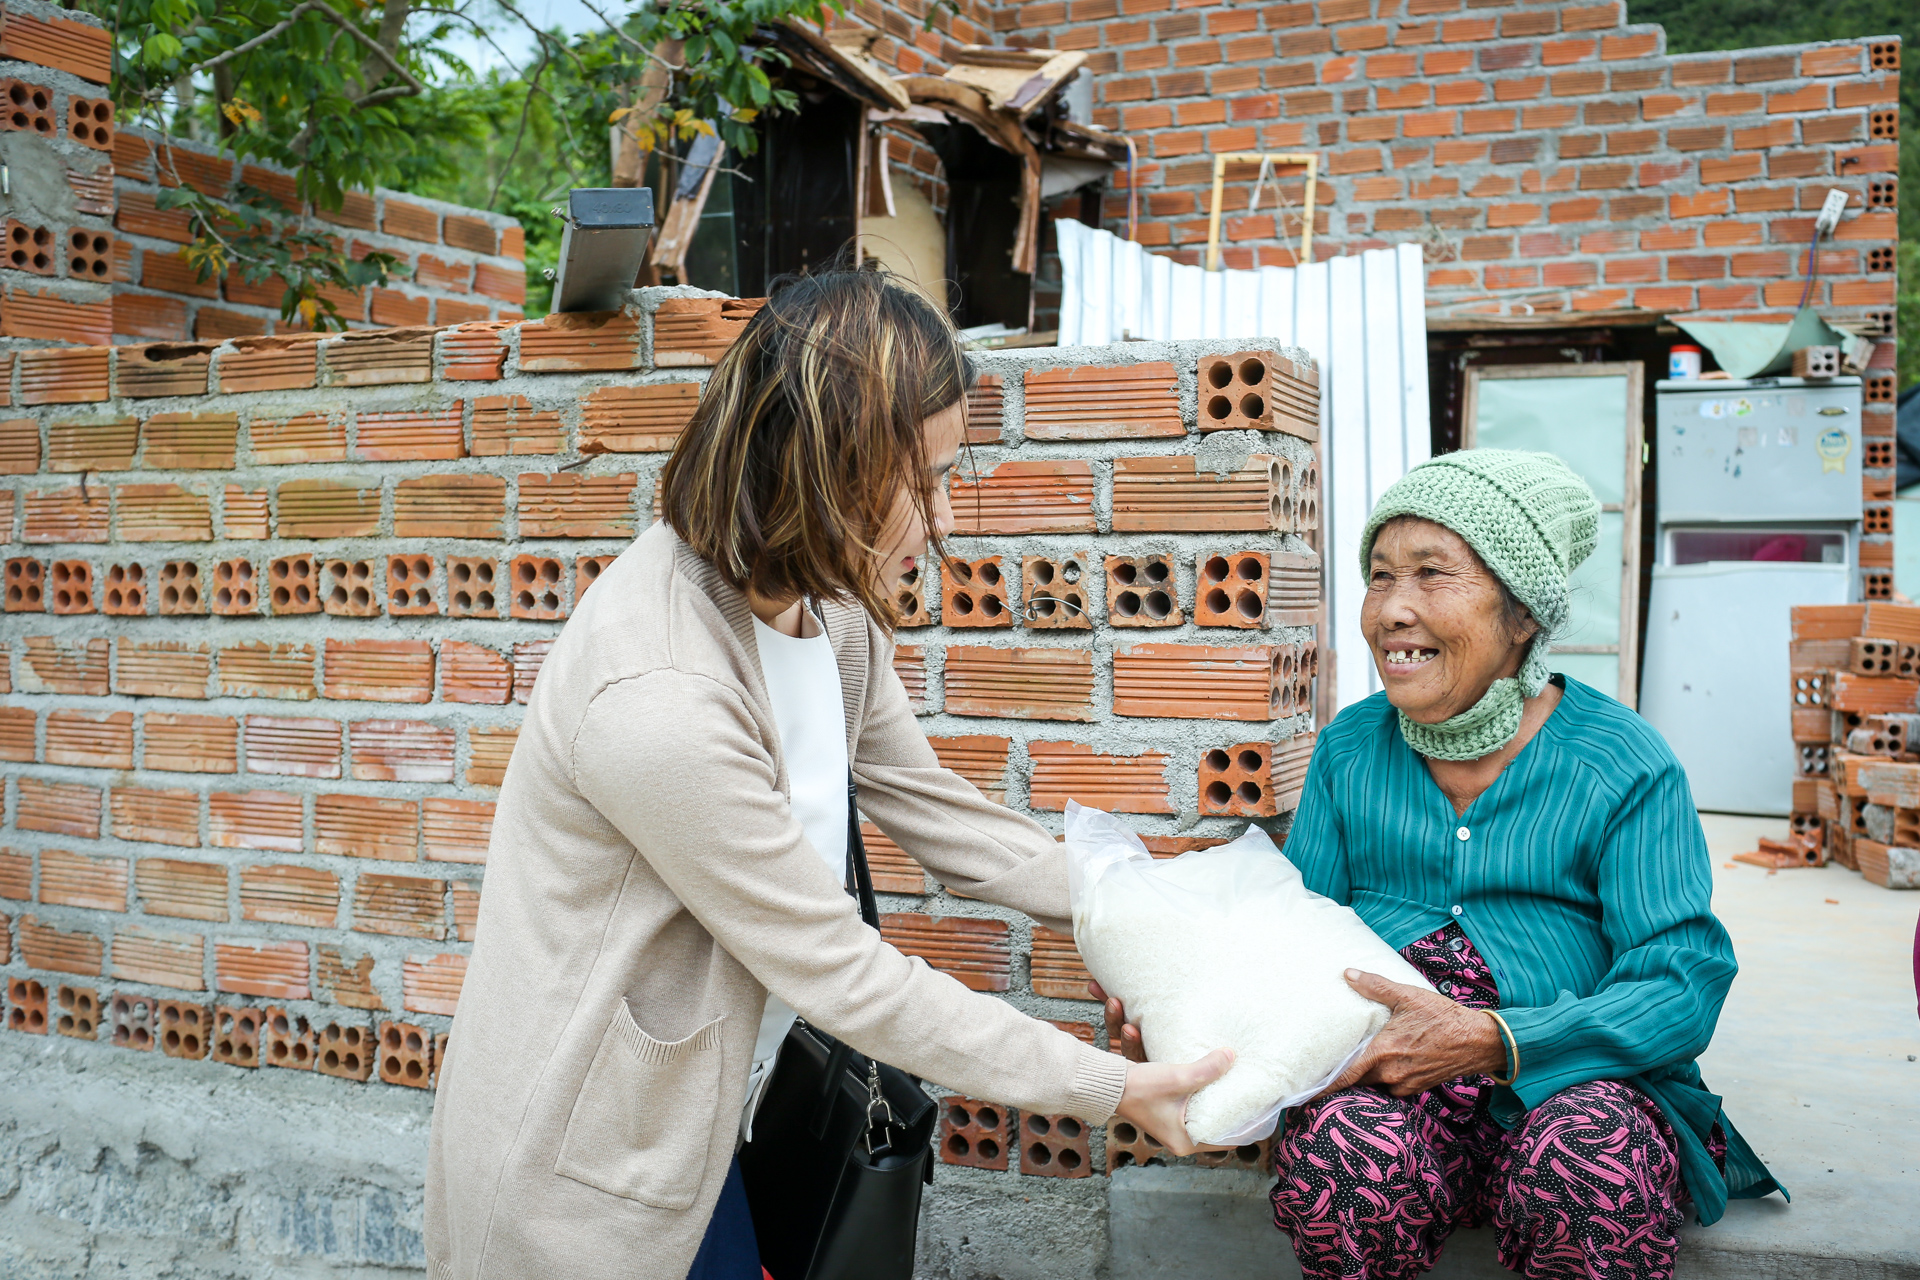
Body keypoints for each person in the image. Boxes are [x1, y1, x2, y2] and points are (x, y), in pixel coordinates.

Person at [423, 266, 1229, 1280]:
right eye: (922, 479)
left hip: (723, 1115)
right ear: (829, 466)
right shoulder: (659, 694)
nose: (941, 518)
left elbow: (944, 816)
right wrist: (1113, 1084)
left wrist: (1164, 913)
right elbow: (847, 973)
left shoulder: (828, 613)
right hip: (588, 1163)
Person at [1103, 449, 1782, 1280]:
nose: (1394, 609)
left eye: (1433, 575)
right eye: (1380, 577)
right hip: (1391, 1094)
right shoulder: (1351, 750)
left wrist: (1494, 1038)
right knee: (1346, 1157)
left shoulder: (1622, 763)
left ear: (1523, 615)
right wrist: (1196, 1023)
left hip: (1569, 1090)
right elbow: (1285, 940)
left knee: (1585, 1163)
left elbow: (1682, 984)